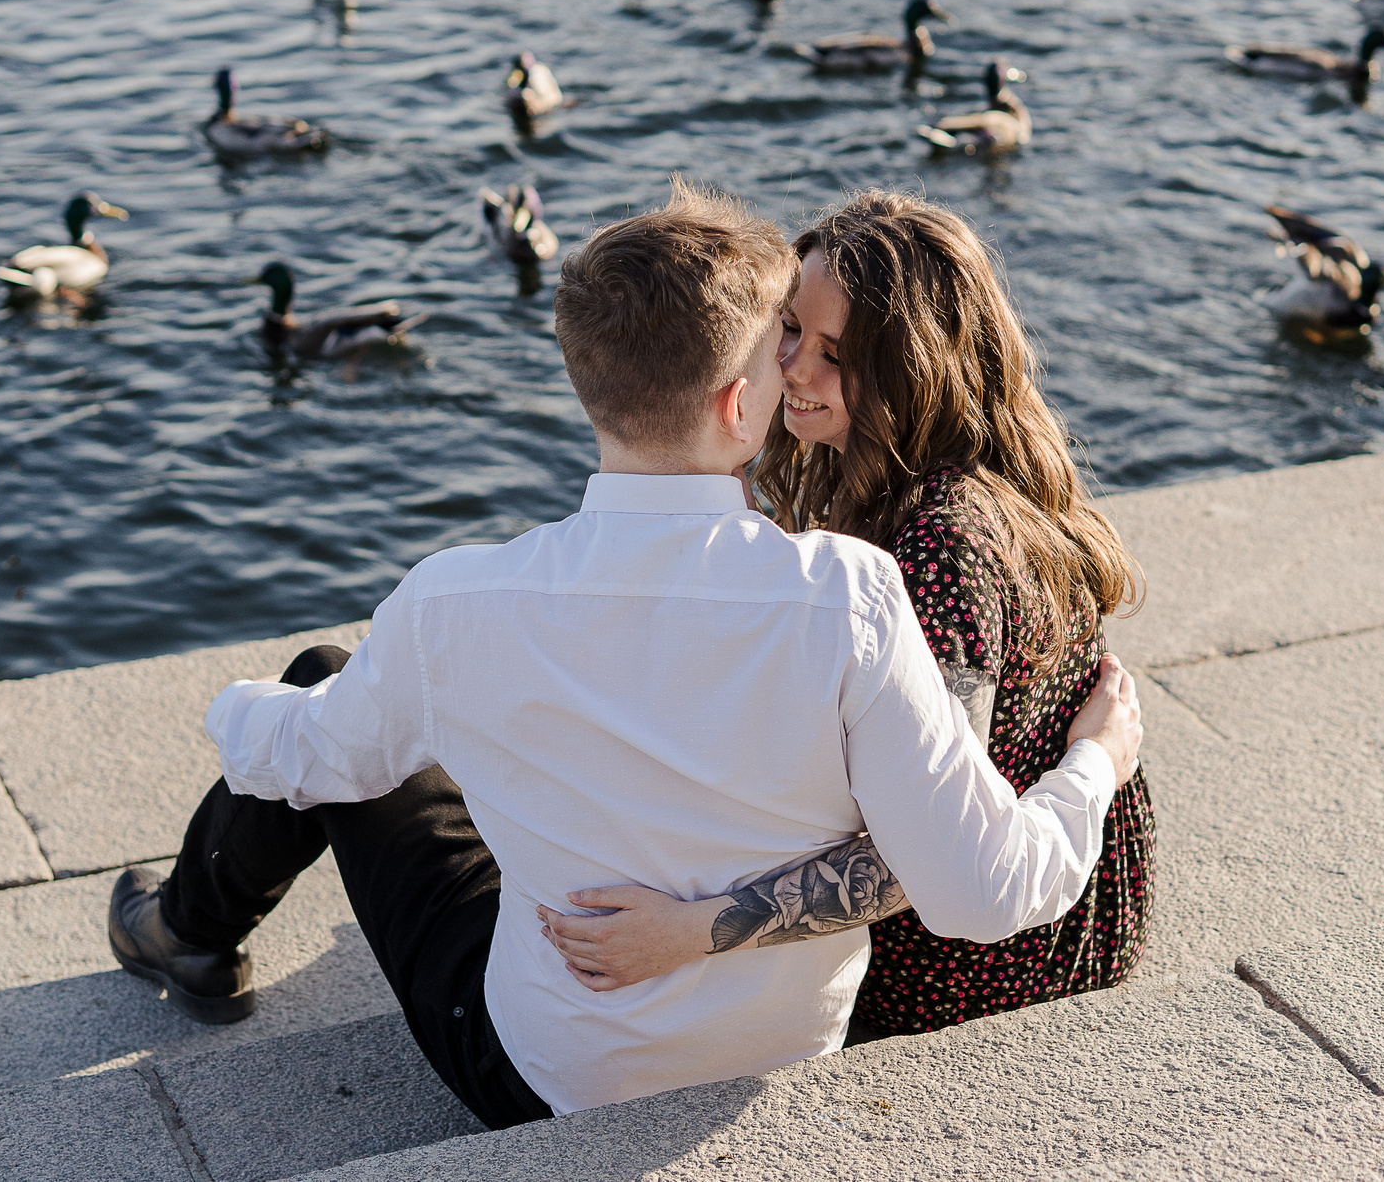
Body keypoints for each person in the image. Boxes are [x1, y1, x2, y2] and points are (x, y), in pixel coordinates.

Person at [107, 180, 1144, 1123]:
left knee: (323, 692)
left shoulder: (457, 602)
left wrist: (232, 712)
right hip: (782, 1058)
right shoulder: (852, 595)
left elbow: (301, 761)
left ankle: (186, 932)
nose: (796, 371)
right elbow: (982, 887)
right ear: (740, 405)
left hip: (546, 1075)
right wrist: (1095, 765)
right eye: (783, 344)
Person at [536, 190, 1153, 1038]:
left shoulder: (946, 547)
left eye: (836, 353)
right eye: (790, 328)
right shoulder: (893, 467)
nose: (791, 366)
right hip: (1039, 896)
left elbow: (926, 860)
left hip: (979, 969)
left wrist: (693, 931)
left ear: (915, 369)